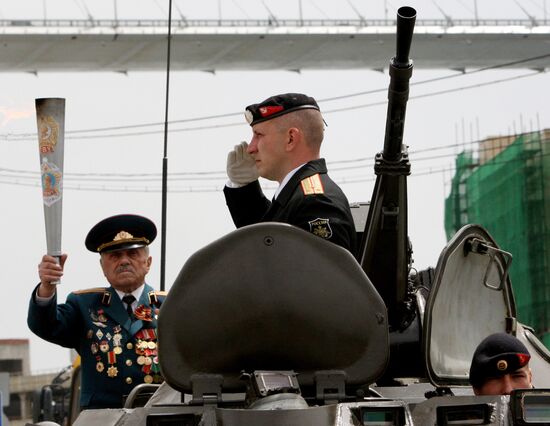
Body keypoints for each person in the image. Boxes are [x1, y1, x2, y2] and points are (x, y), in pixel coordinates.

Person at [28, 214, 167, 410]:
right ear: (103, 267)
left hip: (159, 416)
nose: (124, 261)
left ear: (148, 262)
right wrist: (47, 287)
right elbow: (46, 325)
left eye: (132, 254)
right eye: (115, 256)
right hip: (103, 418)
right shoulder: (84, 305)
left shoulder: (169, 306)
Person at [223, 92, 357, 254]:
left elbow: (318, 277)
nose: (251, 148)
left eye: (259, 135)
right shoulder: (301, 198)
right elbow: (267, 238)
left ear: (291, 139)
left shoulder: (315, 203)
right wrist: (243, 186)